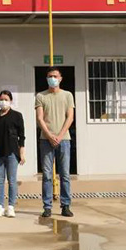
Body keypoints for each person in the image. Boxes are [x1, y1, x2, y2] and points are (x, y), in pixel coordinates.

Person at [36, 67, 75, 218]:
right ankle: (47, 206)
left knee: (64, 174)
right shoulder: (41, 96)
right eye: (50, 76)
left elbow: (70, 117)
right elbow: (40, 118)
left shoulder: (67, 95)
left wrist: (59, 135)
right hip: (46, 140)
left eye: (55, 76)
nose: (52, 78)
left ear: (60, 78)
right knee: (46, 174)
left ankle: (65, 205)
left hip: (64, 140)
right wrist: (49, 135)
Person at [0, 90, 25, 218]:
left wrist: (21, 152)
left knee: (12, 180)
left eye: (6, 99)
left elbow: (22, 136)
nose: (3, 102)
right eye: (1, 99)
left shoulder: (17, 116)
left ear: (10, 101)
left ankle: (11, 206)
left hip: (12, 152)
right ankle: (0, 206)